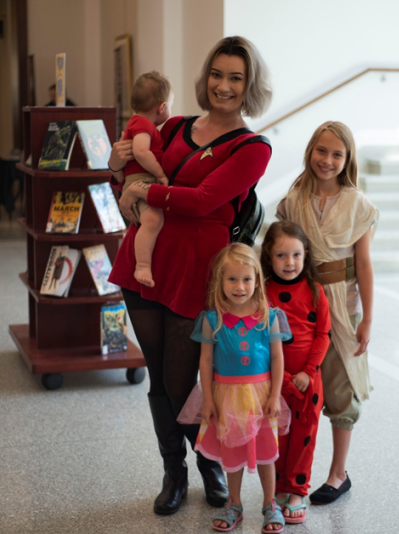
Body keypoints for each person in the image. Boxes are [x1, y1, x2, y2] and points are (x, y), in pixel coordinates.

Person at [105, 36, 273, 516]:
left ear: (249, 85)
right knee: (158, 376)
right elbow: (127, 175)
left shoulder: (252, 147)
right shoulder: (174, 124)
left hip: (198, 272)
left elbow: (202, 200)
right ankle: (173, 472)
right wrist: (118, 170)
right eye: (217, 74)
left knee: (185, 380)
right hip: (145, 261)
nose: (223, 86)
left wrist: (146, 188)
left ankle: (209, 461)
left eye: (235, 77)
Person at [276, 121, 378, 505]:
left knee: (339, 388)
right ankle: (291, 473)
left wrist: (366, 318)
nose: (328, 160)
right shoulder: (293, 198)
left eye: (338, 154)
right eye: (322, 151)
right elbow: (281, 253)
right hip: (299, 306)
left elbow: (364, 265)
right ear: (310, 151)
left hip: (342, 307)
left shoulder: (358, 204)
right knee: (296, 387)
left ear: (348, 158)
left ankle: (338, 473)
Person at [177, 243, 290, 533]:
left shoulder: (269, 316)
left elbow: (277, 358)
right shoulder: (211, 319)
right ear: (220, 281)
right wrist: (208, 400)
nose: (239, 286)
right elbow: (205, 361)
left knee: (266, 452)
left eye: (246, 279)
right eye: (232, 279)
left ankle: (269, 503)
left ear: (257, 280)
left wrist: (276, 395)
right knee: (232, 453)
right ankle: (234, 503)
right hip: (225, 396)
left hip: (261, 396)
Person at [261, 221, 330, 523]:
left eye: (296, 255)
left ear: (305, 255)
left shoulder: (315, 290)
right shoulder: (262, 292)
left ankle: (298, 489)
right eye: (281, 256)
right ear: (268, 257)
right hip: (274, 381)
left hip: (308, 380)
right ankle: (278, 487)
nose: (290, 263)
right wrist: (284, 379)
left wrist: (308, 372)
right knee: (278, 435)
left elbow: (323, 334)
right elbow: (259, 338)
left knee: (305, 435)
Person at [118, 71, 174, 287]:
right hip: (141, 180)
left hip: (138, 180)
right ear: (161, 107)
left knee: (152, 219)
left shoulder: (137, 121)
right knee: (153, 219)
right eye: (169, 106)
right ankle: (142, 265)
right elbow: (141, 152)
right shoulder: (143, 125)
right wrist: (160, 174)